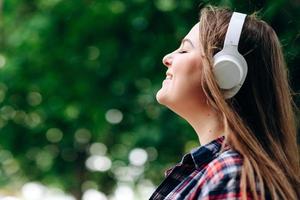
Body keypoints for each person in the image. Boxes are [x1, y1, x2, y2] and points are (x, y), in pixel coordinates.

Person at [150, 6, 300, 200]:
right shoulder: (218, 173)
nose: (166, 58)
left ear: (226, 71)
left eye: (185, 49)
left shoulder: (231, 176)